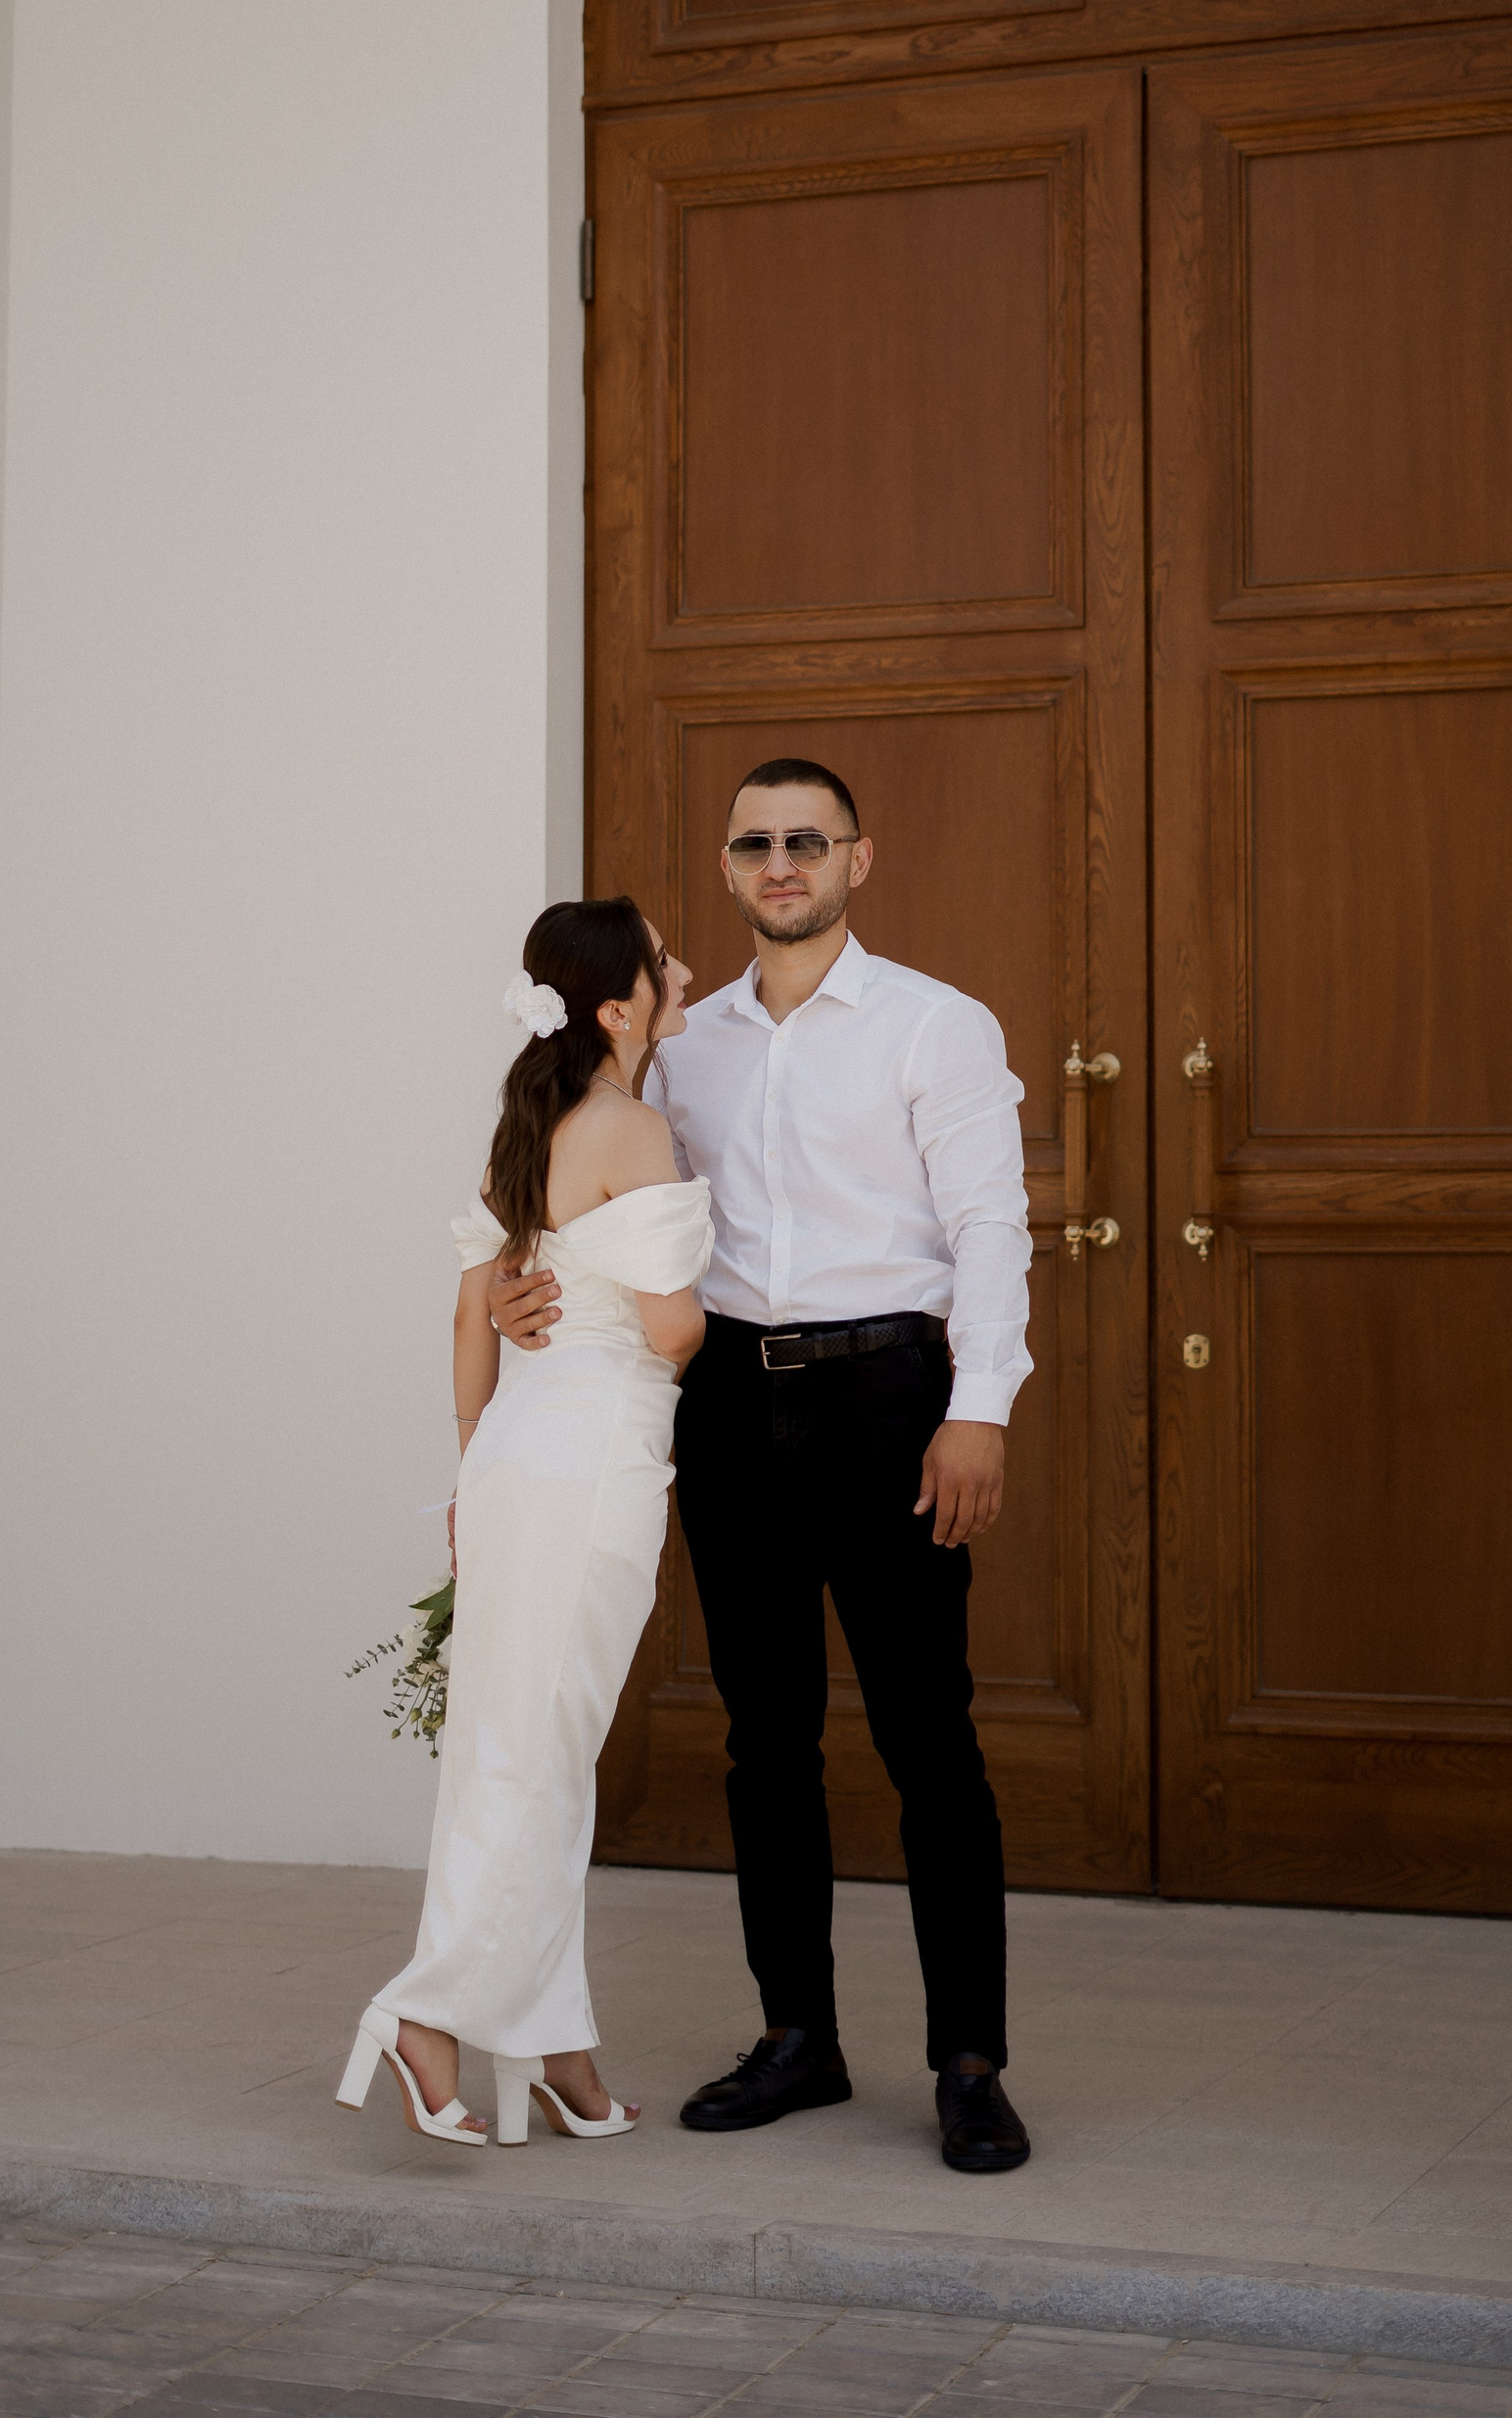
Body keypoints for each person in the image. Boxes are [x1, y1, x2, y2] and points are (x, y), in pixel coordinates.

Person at [491, 762, 1034, 2174]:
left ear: (859, 858)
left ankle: (970, 2062)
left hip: (892, 1400)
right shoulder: (683, 1042)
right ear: (729, 869)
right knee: (765, 1740)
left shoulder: (936, 1024)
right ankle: (799, 2037)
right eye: (754, 843)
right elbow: (585, 1185)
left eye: (807, 840)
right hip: (727, 1402)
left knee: (929, 1741)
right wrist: (520, 1286)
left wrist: (979, 1408)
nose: (780, 862)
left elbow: (990, 1226)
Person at [337, 897, 710, 2151]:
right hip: (596, 1458)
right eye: (660, 962)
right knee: (538, 1754)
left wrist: (472, 1475)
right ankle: (426, 2014)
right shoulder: (629, 1128)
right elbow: (673, 1329)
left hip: (511, 1455)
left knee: (517, 1748)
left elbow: (469, 1318)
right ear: (615, 1007)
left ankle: (560, 2056)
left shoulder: (525, 1128)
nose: (680, 970)